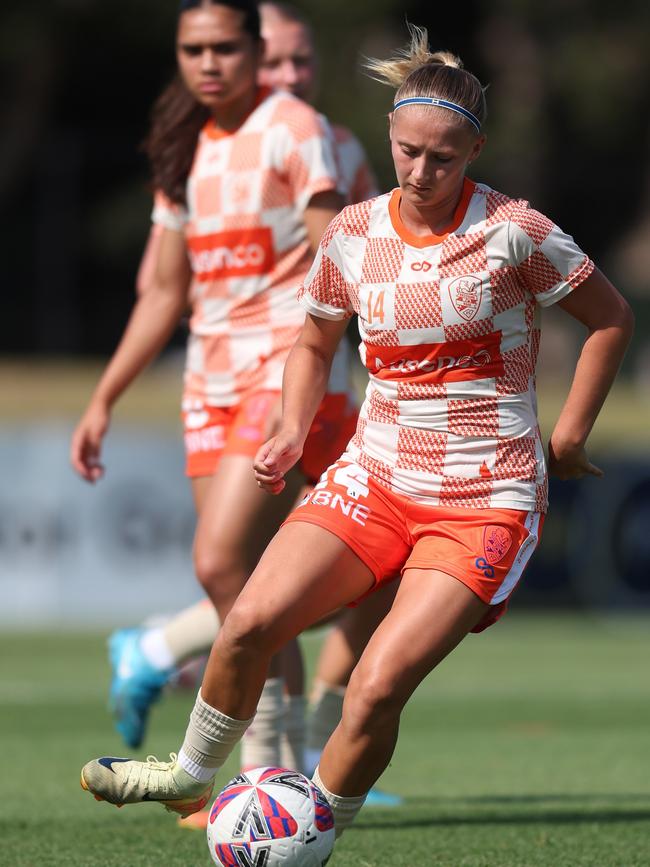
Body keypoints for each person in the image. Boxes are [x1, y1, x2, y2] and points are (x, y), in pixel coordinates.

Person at [80, 24, 633, 846]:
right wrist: (291, 426)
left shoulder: (515, 231)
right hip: (373, 475)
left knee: (375, 687)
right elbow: (311, 342)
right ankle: (193, 773)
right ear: (390, 138)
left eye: (443, 157)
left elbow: (610, 317)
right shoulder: (352, 234)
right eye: (408, 151)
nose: (421, 171)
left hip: (485, 498)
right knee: (249, 620)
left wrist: (570, 435)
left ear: (474, 148)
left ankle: (312, 833)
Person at [100, 0, 401, 809]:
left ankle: (238, 747)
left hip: (293, 371)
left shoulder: (303, 132)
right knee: (254, 585)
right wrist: (105, 396)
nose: (211, 63)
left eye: (227, 48)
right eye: (193, 48)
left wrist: (389, 356)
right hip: (211, 379)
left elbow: (346, 251)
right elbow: (163, 287)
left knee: (239, 566)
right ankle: (269, 778)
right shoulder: (186, 146)